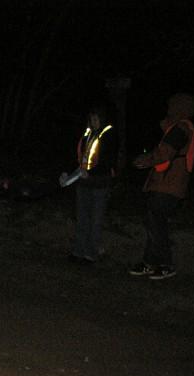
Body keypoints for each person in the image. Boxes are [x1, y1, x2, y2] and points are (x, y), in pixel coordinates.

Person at [129, 93, 194, 280]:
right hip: (165, 184)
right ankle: (150, 262)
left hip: (169, 185)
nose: (168, 108)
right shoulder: (177, 127)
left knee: (156, 223)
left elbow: (165, 152)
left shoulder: (181, 128)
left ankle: (165, 264)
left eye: (171, 105)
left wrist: (145, 160)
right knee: (154, 222)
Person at [69, 106, 116, 263]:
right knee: (82, 218)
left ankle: (90, 254)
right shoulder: (87, 135)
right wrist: (71, 174)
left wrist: (92, 173)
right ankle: (78, 251)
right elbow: (81, 157)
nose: (94, 122)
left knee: (95, 220)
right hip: (83, 182)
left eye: (96, 119)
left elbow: (107, 161)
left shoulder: (109, 135)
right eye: (91, 119)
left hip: (99, 184)